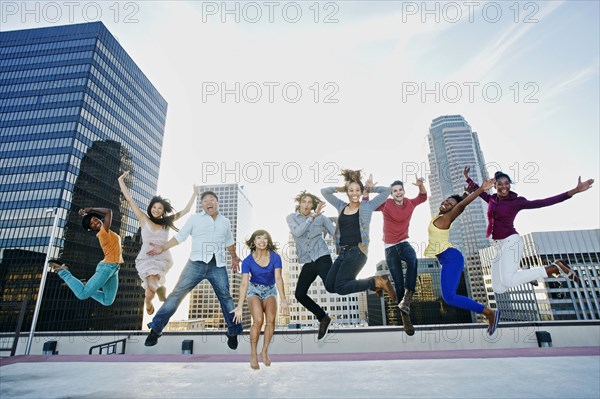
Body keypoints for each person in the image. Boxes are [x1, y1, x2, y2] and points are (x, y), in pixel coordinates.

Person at [465, 167, 594, 293]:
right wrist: (467, 178)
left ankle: (554, 268)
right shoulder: (492, 199)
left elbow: (544, 202)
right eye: (500, 184)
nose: (504, 187)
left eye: (507, 184)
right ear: (495, 186)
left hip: (511, 241)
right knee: (499, 288)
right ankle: (527, 273)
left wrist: (575, 191)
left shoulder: (517, 201)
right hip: (498, 247)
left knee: (508, 281)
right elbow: (478, 191)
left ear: (510, 185)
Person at [143, 191, 243, 349]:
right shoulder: (195, 219)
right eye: (204, 200)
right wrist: (162, 247)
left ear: (217, 202)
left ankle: (233, 332)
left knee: (226, 297)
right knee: (176, 294)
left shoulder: (225, 221)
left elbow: (229, 241)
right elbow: (180, 236)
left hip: (217, 265)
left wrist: (234, 257)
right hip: (195, 264)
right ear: (202, 205)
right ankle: (156, 329)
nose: (208, 202)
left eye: (211, 199)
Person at [424, 178, 501, 335]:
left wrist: (480, 190)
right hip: (448, 259)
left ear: (453, 209)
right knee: (449, 296)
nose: (446, 203)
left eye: (449, 204)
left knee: (450, 297)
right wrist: (465, 193)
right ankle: (488, 312)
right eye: (446, 200)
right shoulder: (439, 216)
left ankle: (488, 312)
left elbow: (460, 205)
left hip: (451, 258)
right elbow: (459, 202)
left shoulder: (446, 218)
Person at [118, 171, 198, 315]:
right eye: (154, 207)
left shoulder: (167, 222)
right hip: (147, 255)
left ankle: (156, 294)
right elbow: (129, 200)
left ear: (163, 211)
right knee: (150, 291)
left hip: (161, 255)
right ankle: (150, 299)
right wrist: (120, 181)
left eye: (159, 208)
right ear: (150, 208)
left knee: (152, 280)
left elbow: (185, 211)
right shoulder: (144, 219)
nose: (156, 210)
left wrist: (195, 194)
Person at [364, 177, 427, 336]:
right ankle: (405, 318)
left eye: (400, 190)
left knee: (413, 260)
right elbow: (367, 206)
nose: (398, 193)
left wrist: (421, 186)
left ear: (404, 191)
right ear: (391, 194)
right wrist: (367, 189)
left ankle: (407, 299)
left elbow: (423, 197)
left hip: (403, 243)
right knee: (399, 283)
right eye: (394, 191)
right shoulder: (386, 204)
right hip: (390, 247)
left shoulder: (410, 203)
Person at [321, 169, 396, 302]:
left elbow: (386, 191)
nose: (354, 193)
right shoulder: (341, 206)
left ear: (361, 192)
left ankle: (377, 282)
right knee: (330, 286)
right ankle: (375, 284)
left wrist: (370, 188)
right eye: (351, 190)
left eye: (357, 190)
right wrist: (342, 188)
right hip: (343, 252)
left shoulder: (367, 206)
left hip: (358, 251)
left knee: (341, 287)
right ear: (347, 192)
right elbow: (324, 191)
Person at [231, 230, 289, 369]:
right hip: (254, 290)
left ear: (268, 241)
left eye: (265, 238)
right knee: (258, 320)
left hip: (270, 290)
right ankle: (252, 354)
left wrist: (283, 300)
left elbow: (278, 278)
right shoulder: (247, 261)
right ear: (253, 242)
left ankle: (264, 351)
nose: (262, 241)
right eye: (258, 238)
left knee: (270, 320)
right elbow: (244, 283)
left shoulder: (275, 257)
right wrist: (239, 306)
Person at [286, 191, 336, 340]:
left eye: (310, 202)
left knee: (331, 286)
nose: (306, 205)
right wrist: (312, 218)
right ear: (299, 203)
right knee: (299, 294)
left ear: (313, 205)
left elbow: (336, 233)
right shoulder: (292, 218)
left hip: (322, 256)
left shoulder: (322, 218)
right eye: (304, 202)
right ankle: (323, 317)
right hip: (307, 261)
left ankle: (372, 283)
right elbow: (298, 232)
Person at [48, 207, 122, 306]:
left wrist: (87, 214)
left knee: (107, 301)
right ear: (91, 229)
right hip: (107, 267)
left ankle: (83, 285)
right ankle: (62, 271)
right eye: (92, 224)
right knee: (82, 294)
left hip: (115, 268)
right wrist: (90, 209)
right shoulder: (103, 232)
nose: (95, 223)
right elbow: (109, 211)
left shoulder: (107, 232)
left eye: (95, 219)